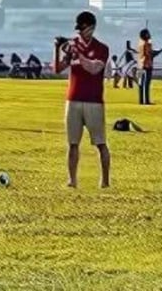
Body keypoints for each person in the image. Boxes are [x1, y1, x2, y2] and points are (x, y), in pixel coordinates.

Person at [54, 11, 110, 189]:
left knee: (100, 143)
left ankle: (105, 181)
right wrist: (58, 50)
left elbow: (94, 68)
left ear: (92, 28)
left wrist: (79, 54)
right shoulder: (73, 47)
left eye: (83, 29)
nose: (80, 33)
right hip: (73, 99)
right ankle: (72, 180)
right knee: (72, 143)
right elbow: (58, 69)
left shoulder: (101, 48)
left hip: (93, 101)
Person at [137, 29, 161, 106]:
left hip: (140, 65)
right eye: (148, 34)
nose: (150, 35)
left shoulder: (140, 44)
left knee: (140, 83)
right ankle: (146, 100)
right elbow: (150, 54)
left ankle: (140, 100)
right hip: (147, 65)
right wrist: (158, 52)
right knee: (147, 84)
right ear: (146, 35)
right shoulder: (147, 44)